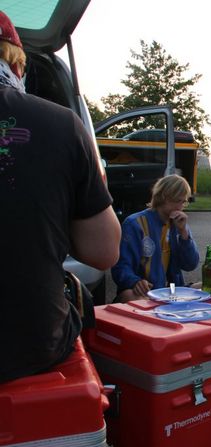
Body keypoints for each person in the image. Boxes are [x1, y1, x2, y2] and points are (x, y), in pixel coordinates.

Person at [0, 11, 121, 383]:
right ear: (17, 64)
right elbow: (104, 252)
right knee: (77, 295)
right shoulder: (60, 123)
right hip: (28, 347)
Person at [112, 174, 211, 301]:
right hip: (147, 292)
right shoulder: (135, 223)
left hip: (174, 291)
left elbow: (190, 264)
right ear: (163, 197)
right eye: (177, 200)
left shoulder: (178, 224)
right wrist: (134, 282)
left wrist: (184, 234)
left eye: (183, 202)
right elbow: (121, 266)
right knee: (130, 296)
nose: (180, 207)